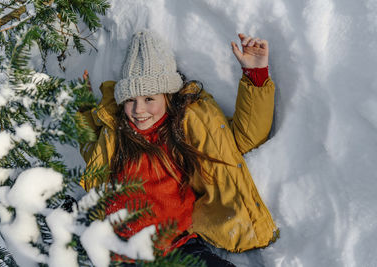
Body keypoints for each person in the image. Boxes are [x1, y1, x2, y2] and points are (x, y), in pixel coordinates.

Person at [79, 30, 278, 266]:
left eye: (149, 99)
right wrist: (84, 109)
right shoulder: (118, 134)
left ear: (167, 96)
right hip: (121, 251)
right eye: (131, 100)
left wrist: (255, 75)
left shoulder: (186, 129)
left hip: (178, 247)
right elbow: (91, 150)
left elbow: (246, 137)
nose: (138, 110)